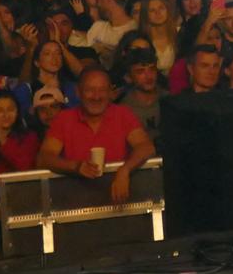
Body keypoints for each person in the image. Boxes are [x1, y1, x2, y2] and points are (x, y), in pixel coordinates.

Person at [37, 66, 156, 204]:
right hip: (76, 204)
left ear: (111, 93)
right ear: (78, 92)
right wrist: (76, 167)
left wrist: (125, 170)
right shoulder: (64, 119)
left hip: (118, 203)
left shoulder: (123, 115)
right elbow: (44, 158)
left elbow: (146, 147)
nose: (97, 96)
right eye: (90, 90)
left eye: (102, 90)